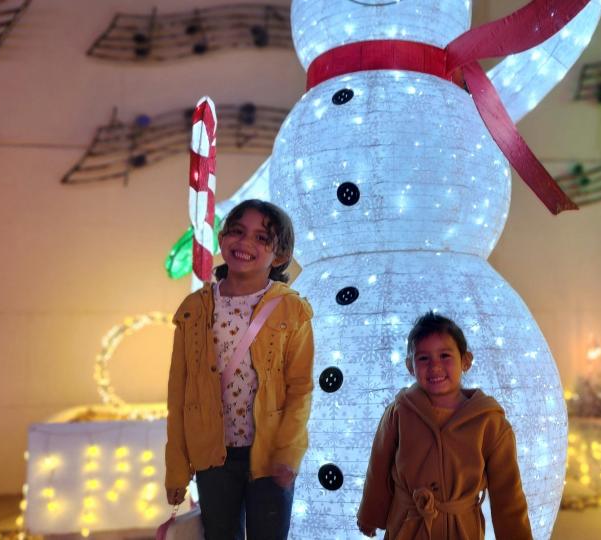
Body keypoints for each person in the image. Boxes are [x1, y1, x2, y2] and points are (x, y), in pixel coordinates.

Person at [164, 199, 315, 540]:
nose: (245, 243)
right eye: (237, 231)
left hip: (269, 454)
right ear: (222, 237)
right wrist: (176, 467)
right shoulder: (194, 309)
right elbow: (178, 392)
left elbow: (300, 388)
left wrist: (288, 453)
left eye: (262, 238)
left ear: (279, 255)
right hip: (212, 455)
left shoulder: (292, 310)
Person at [357, 312, 533, 539]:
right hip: (407, 527)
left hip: (461, 529)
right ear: (410, 366)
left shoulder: (489, 422)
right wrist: (371, 515)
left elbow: (507, 492)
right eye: (423, 358)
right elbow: (378, 466)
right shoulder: (399, 412)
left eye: (445, 355)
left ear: (466, 360)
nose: (435, 366)